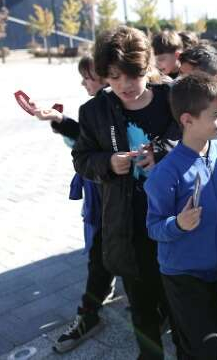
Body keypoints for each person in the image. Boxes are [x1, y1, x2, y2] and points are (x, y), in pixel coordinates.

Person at [72, 27, 182, 360]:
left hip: (176, 220)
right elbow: (82, 159)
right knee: (142, 304)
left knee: (180, 301)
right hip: (128, 226)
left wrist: (162, 151)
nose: (125, 85)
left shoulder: (173, 97)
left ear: (147, 65)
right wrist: (107, 162)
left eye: (133, 75)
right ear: (105, 75)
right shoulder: (94, 111)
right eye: (115, 77)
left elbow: (196, 137)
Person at [145, 73, 217, 359]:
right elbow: (153, 227)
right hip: (184, 274)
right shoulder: (167, 172)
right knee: (203, 346)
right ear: (187, 120)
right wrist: (178, 224)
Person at [32, 56, 116, 353]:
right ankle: (89, 315)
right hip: (103, 197)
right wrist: (58, 120)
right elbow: (84, 142)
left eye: (88, 76)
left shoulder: (132, 105)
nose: (84, 82)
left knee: (130, 262)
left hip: (132, 202)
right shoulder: (95, 110)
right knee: (99, 256)